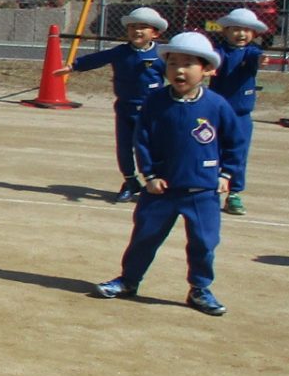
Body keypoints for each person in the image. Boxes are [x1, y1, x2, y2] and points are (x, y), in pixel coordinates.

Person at [93, 31, 245, 316]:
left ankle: (199, 289)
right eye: (173, 63)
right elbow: (142, 140)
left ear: (207, 70)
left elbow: (235, 142)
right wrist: (149, 175)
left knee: (204, 242)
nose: (179, 71)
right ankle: (128, 280)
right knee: (144, 237)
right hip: (161, 190)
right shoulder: (155, 102)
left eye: (188, 64)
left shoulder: (216, 105)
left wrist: (227, 175)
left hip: (202, 191)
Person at [59, 6, 167, 201]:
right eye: (132, 26)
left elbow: (176, 74)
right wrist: (73, 66)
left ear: (155, 33)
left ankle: (154, 182)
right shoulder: (120, 52)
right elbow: (97, 59)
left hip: (151, 112)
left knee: (149, 148)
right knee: (124, 147)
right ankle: (130, 182)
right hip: (125, 108)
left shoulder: (161, 55)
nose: (137, 31)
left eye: (143, 27)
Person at [211, 8, 267, 215]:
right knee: (212, 150)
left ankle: (234, 193)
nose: (241, 34)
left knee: (238, 154)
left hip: (241, 114)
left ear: (253, 34)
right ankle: (210, 188)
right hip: (217, 113)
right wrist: (208, 64)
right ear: (225, 31)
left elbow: (256, 57)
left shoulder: (251, 52)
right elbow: (214, 59)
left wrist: (261, 60)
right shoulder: (219, 51)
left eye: (246, 30)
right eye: (235, 29)